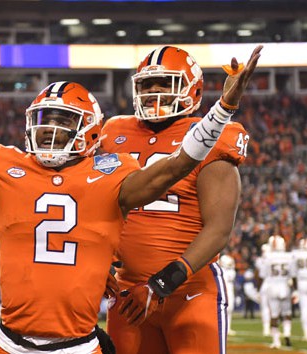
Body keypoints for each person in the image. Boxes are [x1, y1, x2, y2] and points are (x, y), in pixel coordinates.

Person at [0, 40, 262, 354]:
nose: (51, 133)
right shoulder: (12, 168)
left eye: (64, 123)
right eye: (44, 121)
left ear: (89, 131)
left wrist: (222, 112)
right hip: (30, 333)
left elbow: (175, 168)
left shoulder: (110, 175)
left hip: (126, 319)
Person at [100, 45, 252, 354]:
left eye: (165, 84)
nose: (154, 92)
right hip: (128, 293)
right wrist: (95, 262)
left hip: (191, 291)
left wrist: (160, 285)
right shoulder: (113, 131)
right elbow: (94, 205)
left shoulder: (214, 134)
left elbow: (219, 230)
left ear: (191, 88)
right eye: (146, 84)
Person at [258, 235, 296, 349]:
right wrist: (296, 290)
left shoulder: (267, 257)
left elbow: (262, 275)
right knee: (287, 313)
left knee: (274, 315)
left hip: (272, 286)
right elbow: (293, 276)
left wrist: (259, 290)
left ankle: (276, 341)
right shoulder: (290, 256)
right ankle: (287, 334)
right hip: (285, 286)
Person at [219, 254, 237, 336]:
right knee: (224, 309)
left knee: (230, 309)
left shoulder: (230, 271)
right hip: (223, 290)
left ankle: (228, 328)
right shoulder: (221, 270)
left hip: (229, 290)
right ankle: (223, 327)